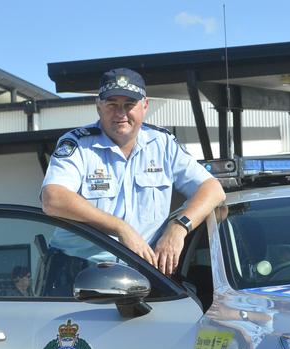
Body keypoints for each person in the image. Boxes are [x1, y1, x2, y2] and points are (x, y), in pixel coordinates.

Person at [41, 67, 225, 276]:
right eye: (112, 104)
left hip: (144, 268)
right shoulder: (77, 144)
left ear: (145, 106)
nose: (120, 114)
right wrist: (121, 228)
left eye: (129, 105)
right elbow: (53, 199)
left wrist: (178, 228)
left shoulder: (163, 144)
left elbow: (213, 189)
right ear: (99, 107)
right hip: (77, 268)